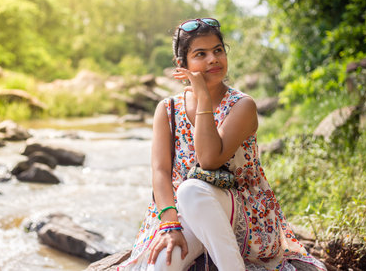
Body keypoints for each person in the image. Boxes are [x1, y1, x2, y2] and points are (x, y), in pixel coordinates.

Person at [118, 18, 327, 271]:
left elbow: (209, 159)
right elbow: (160, 171)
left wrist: (203, 97)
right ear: (181, 64)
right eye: (200, 54)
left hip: (242, 211)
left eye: (218, 50)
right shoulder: (168, 109)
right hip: (184, 214)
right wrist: (170, 225)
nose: (213, 59)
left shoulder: (242, 105)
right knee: (160, 265)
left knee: (190, 190)